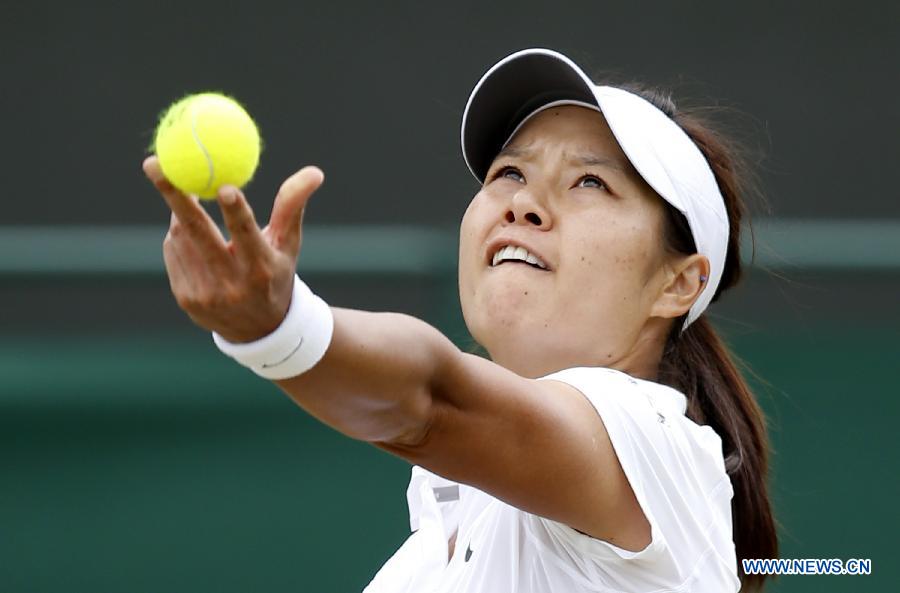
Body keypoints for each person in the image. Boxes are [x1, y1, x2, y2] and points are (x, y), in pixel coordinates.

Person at [142, 48, 777, 592]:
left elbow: (432, 398)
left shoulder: (654, 436)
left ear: (677, 283)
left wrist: (282, 327)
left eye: (589, 182)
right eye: (509, 172)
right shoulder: (440, 528)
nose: (525, 203)